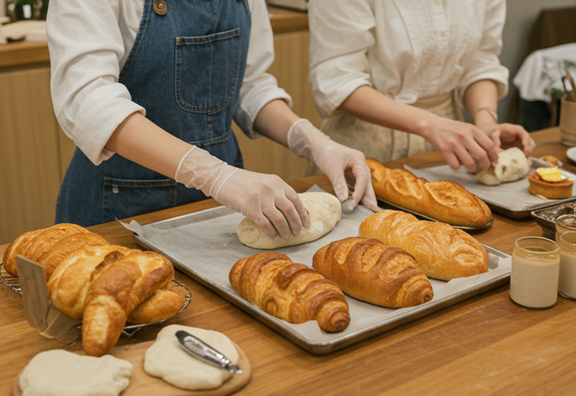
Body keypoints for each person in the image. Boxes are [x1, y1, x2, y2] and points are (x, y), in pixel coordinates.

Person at [48, 0, 377, 237]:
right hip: (119, 206)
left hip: (220, 212)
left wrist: (312, 142)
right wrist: (216, 176)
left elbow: (247, 84)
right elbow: (88, 100)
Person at [308, 0, 534, 174]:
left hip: (451, 151)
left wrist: (486, 123)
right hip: (362, 146)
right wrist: (432, 125)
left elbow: (480, 61)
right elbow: (338, 80)